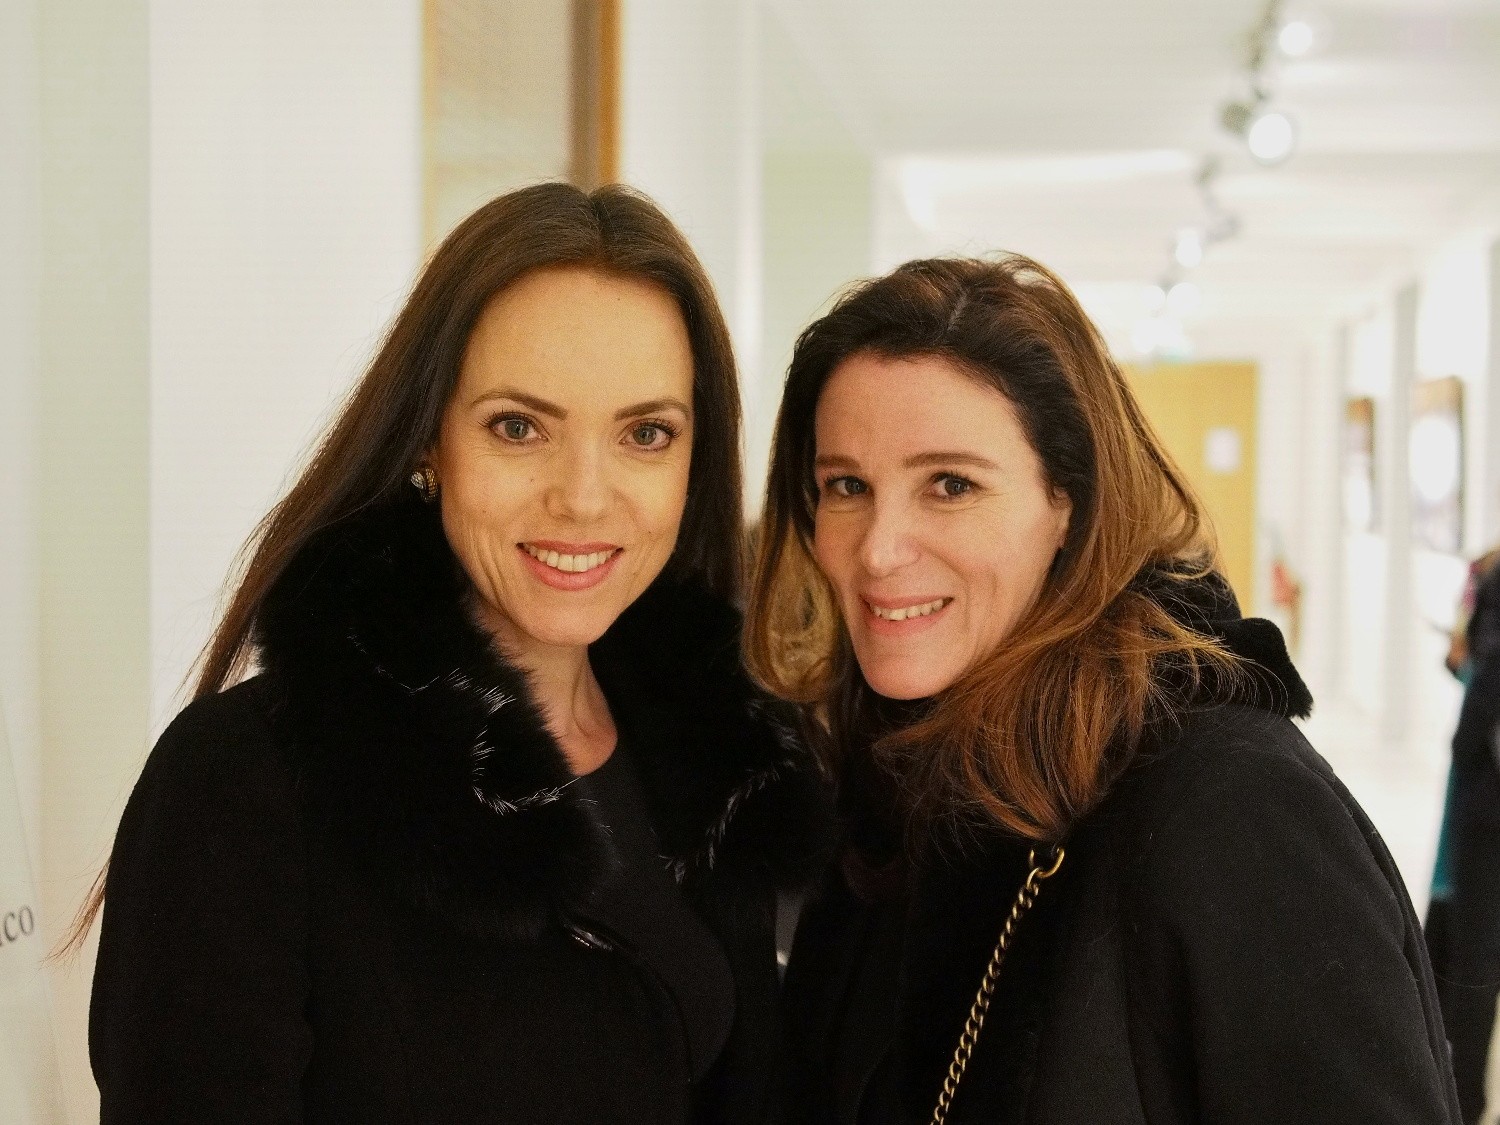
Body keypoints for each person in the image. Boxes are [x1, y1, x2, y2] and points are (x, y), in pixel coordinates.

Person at [83, 183, 825, 1123]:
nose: (583, 496)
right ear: (431, 441)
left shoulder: (718, 764)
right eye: (519, 426)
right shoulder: (241, 780)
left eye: (646, 433)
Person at [745, 255, 1461, 1123]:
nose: (878, 548)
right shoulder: (893, 785)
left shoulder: (1230, 805)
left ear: (1068, 505)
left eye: (951, 484)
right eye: (847, 486)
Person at [1440, 547, 1500, 1121]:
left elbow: (1481, 680)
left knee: (1476, 955)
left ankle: (1467, 1097)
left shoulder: (1493, 577)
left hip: (1488, 808)